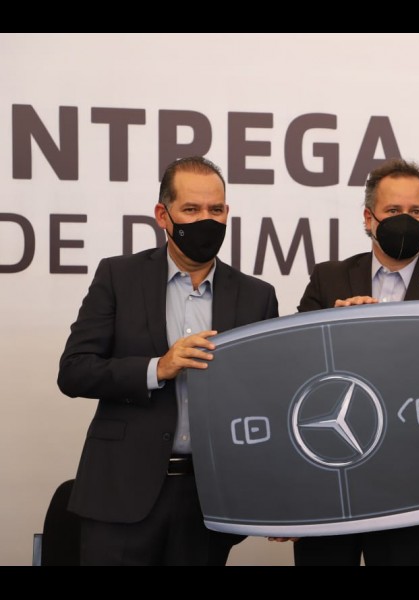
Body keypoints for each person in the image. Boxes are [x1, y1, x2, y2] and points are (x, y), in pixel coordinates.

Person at [57, 156, 279, 565]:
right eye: (191, 209)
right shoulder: (118, 277)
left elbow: (266, 403)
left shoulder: (256, 296)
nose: (205, 221)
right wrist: (157, 368)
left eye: (215, 209)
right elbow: (74, 371)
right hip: (121, 493)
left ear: (227, 213)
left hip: (208, 501)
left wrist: (278, 495)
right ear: (163, 215)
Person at [291, 157, 419, 566]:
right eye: (393, 210)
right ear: (369, 217)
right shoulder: (328, 279)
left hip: (416, 490)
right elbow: (294, 376)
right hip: (334, 477)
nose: (405, 221)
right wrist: (331, 327)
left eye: (415, 212)